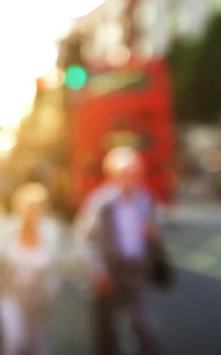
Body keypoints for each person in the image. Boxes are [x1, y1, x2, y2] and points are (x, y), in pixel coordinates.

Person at [75, 146, 164, 355]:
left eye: (137, 173)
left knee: (144, 325)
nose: (133, 178)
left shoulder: (144, 199)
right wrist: (97, 270)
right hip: (109, 271)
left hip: (138, 268)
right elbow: (86, 239)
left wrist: (153, 233)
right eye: (127, 173)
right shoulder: (101, 202)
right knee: (106, 328)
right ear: (113, 175)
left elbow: (156, 229)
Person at [0, 183, 61, 355]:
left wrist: (50, 294)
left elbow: (55, 269)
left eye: (37, 207)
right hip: (10, 295)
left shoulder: (50, 231)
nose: (32, 211)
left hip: (37, 301)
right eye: (29, 207)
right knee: (14, 340)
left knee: (35, 344)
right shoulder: (6, 230)